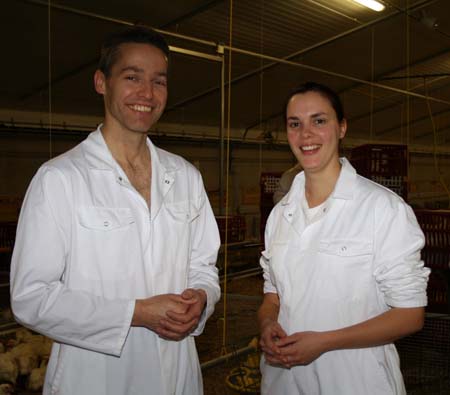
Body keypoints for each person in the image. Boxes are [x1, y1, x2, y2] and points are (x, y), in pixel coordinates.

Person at [10, 26, 220, 395]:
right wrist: (137, 314)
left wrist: (201, 297)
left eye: (159, 81)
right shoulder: (60, 178)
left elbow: (203, 266)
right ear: (100, 82)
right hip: (96, 376)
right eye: (131, 77)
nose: (147, 94)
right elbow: (31, 297)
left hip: (177, 372)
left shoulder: (185, 176)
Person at [258, 81, 430, 394]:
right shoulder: (281, 214)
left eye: (319, 121)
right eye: (295, 124)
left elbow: (410, 314)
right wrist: (267, 324)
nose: (306, 134)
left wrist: (324, 342)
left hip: (356, 380)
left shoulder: (382, 209)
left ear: (342, 128)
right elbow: (273, 296)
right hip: (285, 381)